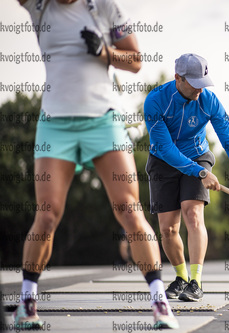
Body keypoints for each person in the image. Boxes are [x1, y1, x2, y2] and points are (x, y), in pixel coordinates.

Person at [14, 0, 178, 329]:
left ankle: (160, 303)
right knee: (46, 214)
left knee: (129, 209)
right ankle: (27, 303)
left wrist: (106, 53)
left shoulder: (103, 7)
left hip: (103, 123)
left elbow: (134, 60)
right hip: (55, 125)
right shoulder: (38, 5)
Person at [144, 53, 229, 302]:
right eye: (195, 83)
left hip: (198, 156)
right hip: (164, 162)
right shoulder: (155, 101)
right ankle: (180, 277)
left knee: (192, 213)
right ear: (178, 78)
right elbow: (166, 149)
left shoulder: (208, 100)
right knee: (168, 229)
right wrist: (199, 173)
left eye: (204, 82)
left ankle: (196, 281)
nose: (201, 88)